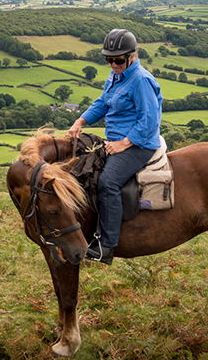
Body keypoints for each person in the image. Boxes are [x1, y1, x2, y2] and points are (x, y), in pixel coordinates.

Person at [68, 28, 163, 264]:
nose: (113, 64)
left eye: (118, 60)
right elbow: (103, 103)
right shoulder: (115, 77)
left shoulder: (140, 80)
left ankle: (106, 245)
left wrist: (125, 143)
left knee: (108, 182)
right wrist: (81, 120)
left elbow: (149, 119)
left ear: (132, 56)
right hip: (116, 140)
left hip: (139, 143)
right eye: (108, 59)